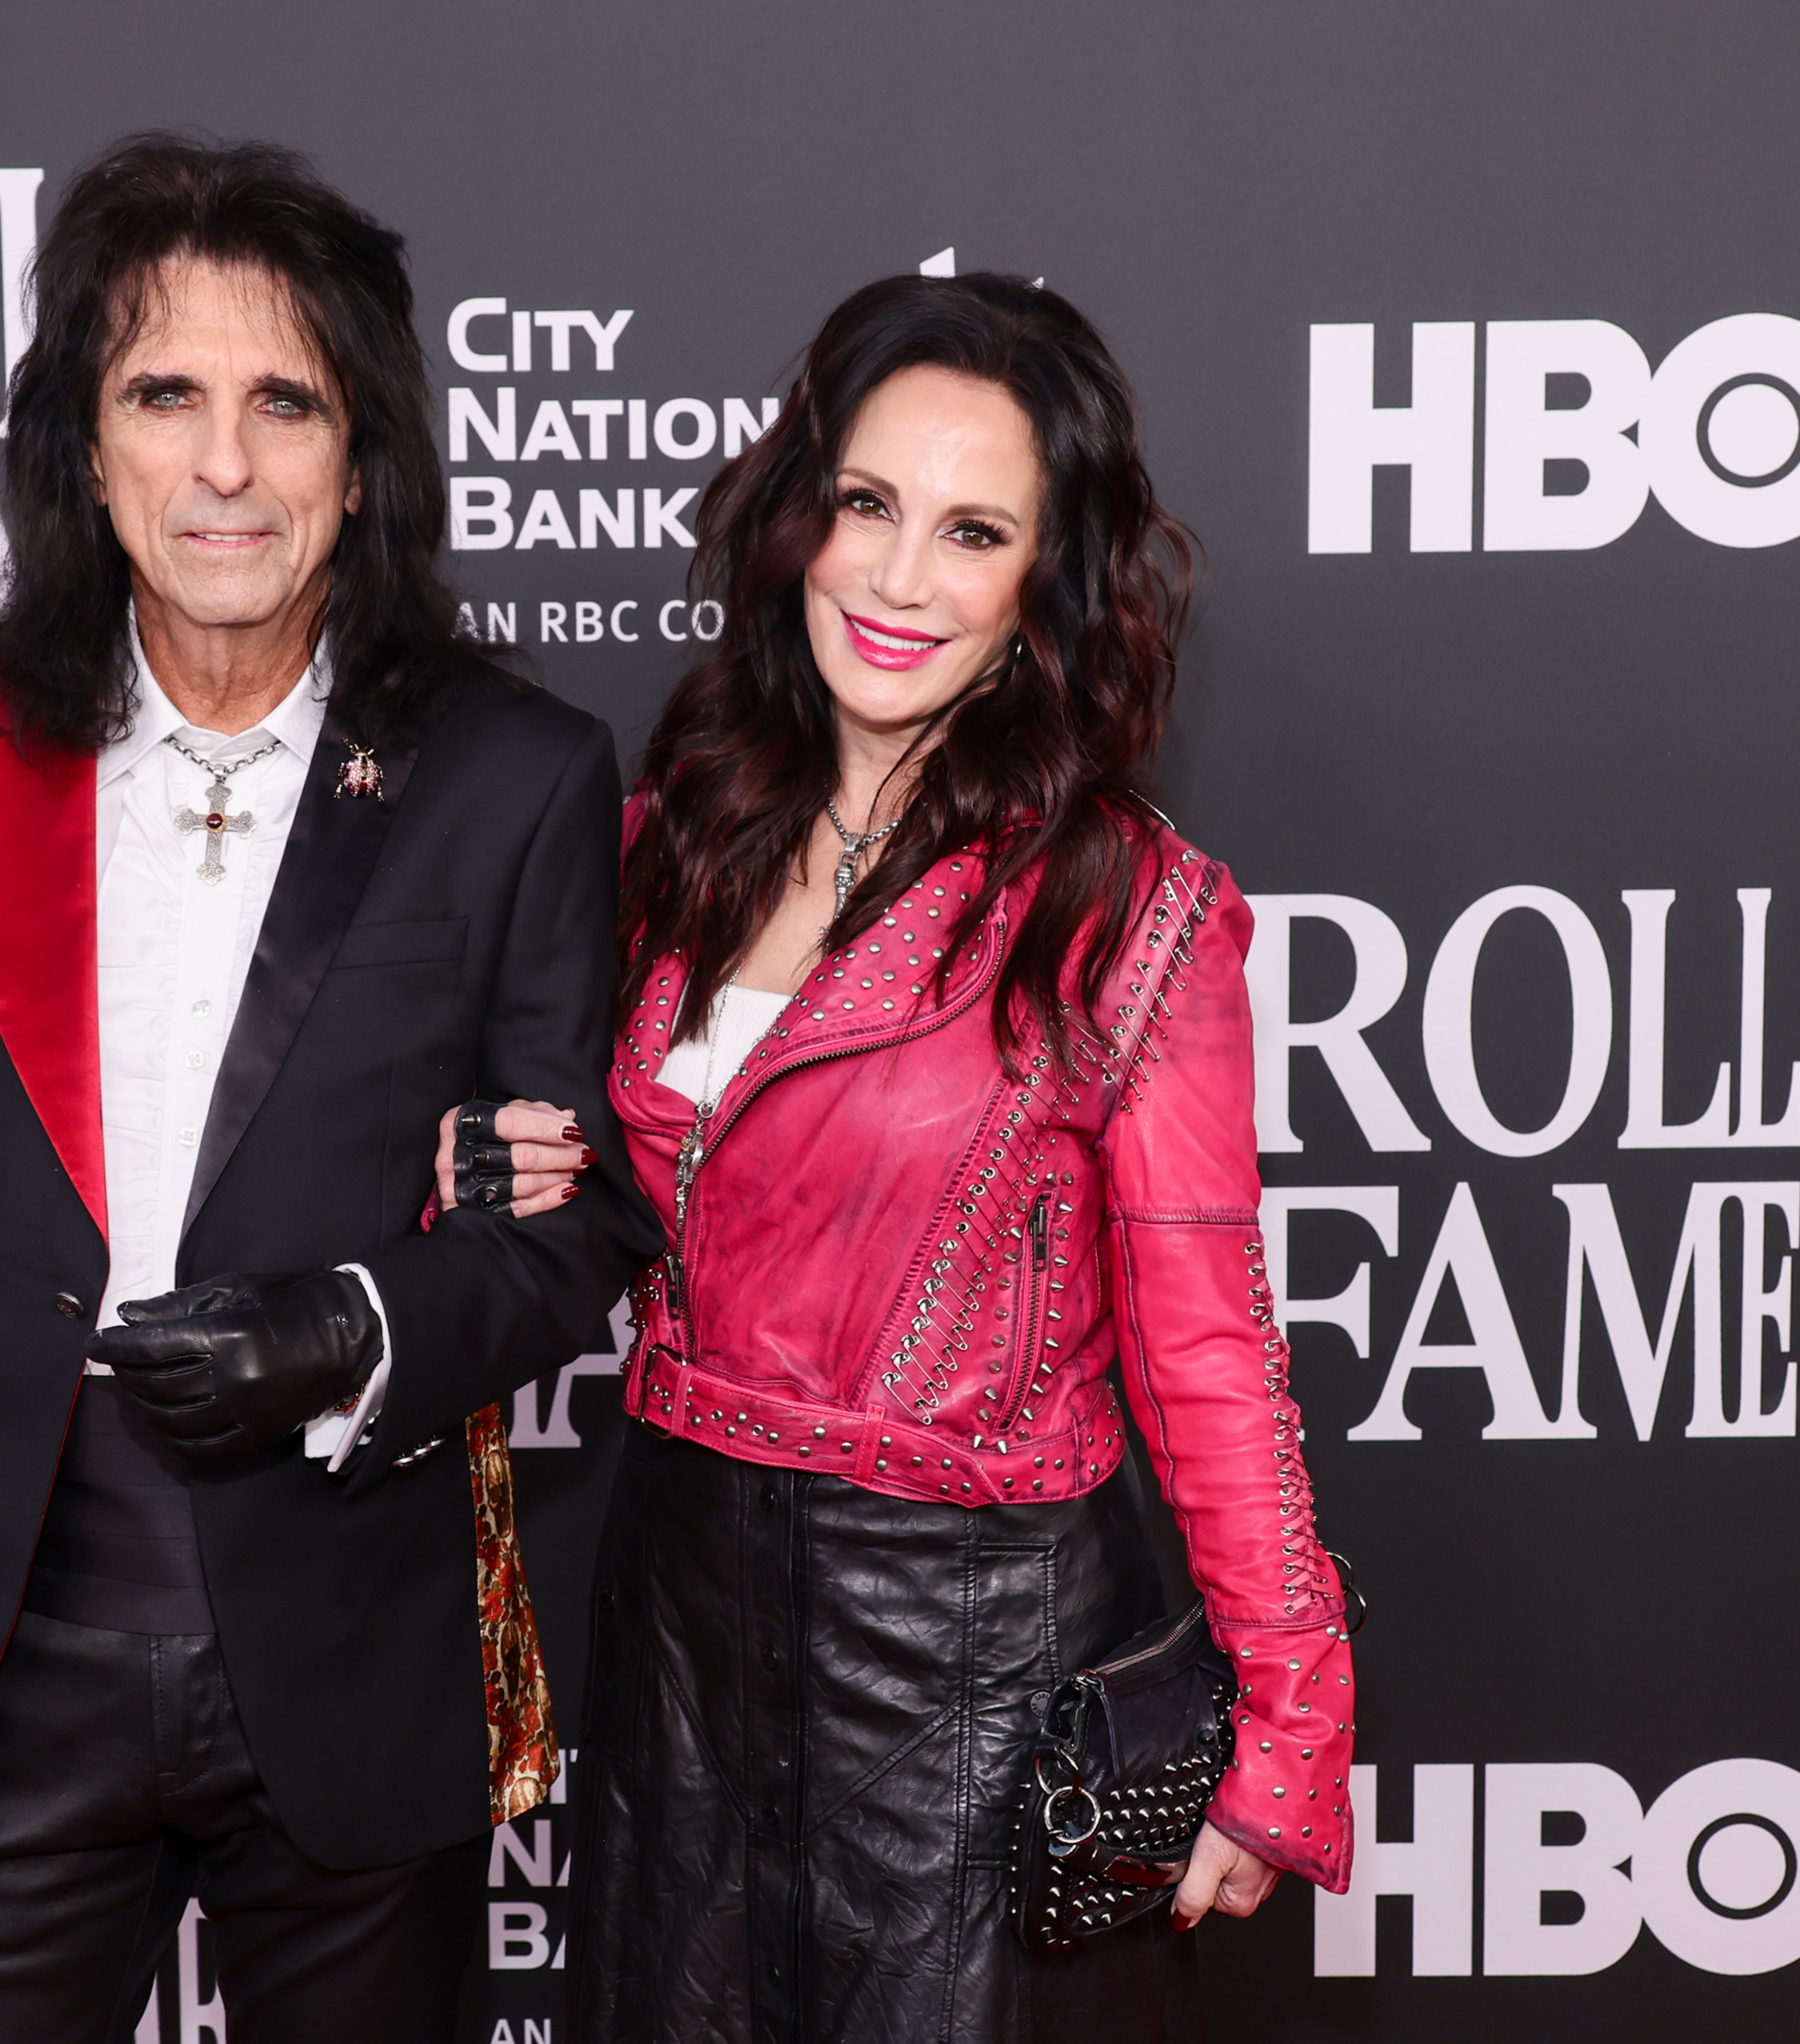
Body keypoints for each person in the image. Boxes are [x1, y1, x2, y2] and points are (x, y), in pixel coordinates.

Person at [0, 134, 659, 2042]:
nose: (226, 465)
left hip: (358, 1660)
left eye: (285, 401)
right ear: (86, 445)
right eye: (167, 395)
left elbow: (583, 1214)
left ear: (362, 454)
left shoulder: (512, 772)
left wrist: (349, 1322)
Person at [453, 272, 1358, 2041]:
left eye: (973, 531)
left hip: (975, 1666)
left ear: (1045, 583)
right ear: (799, 516)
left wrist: (1293, 1714)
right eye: (866, 505)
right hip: (682, 1615)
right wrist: (499, 1171)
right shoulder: (663, 844)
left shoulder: (1127, 912)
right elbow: (617, 1203)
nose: (895, 577)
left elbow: (1208, 1352)